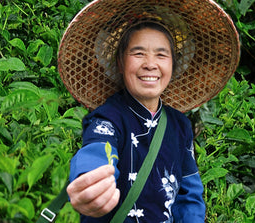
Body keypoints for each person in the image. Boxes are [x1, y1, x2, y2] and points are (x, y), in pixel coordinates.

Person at [56, 0, 240, 222]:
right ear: (120, 63)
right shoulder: (109, 118)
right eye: (138, 53)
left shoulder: (180, 125)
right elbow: (97, 153)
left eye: (161, 55)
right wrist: (91, 181)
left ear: (174, 64)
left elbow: (189, 195)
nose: (150, 64)